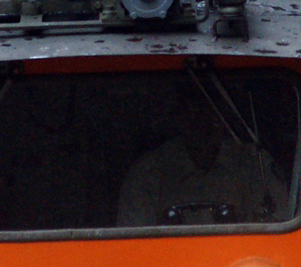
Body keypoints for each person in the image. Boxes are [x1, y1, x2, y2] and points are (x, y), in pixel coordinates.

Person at [115, 96, 288, 227]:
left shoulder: (255, 164)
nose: (202, 121)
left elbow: (279, 221)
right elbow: (133, 237)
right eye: (192, 110)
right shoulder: (149, 171)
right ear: (178, 117)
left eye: (211, 109)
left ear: (224, 114)